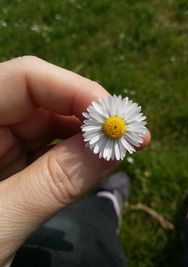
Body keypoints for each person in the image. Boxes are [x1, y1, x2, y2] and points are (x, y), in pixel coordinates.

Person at [0, 56, 150, 267]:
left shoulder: (119, 127)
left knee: (75, 228)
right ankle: (107, 203)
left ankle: (105, 202)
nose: (115, 128)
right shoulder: (104, 128)